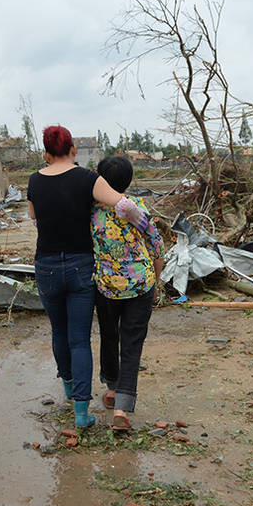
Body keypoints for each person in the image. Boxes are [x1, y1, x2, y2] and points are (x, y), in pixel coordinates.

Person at [27, 126, 149, 429]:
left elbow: (32, 217)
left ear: (45, 153)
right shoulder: (86, 178)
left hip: (46, 266)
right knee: (79, 340)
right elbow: (124, 204)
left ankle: (68, 389)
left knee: (59, 331)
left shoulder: (34, 180)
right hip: (81, 267)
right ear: (73, 151)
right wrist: (141, 223)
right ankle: (82, 414)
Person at [91, 155, 164, 432]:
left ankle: (111, 390)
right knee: (132, 344)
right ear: (129, 181)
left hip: (106, 287)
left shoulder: (93, 212)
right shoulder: (138, 208)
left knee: (109, 337)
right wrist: (155, 282)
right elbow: (156, 247)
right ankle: (121, 408)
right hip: (139, 286)